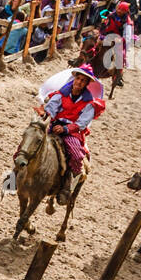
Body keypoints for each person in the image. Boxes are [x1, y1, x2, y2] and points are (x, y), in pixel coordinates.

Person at [41, 65, 103, 205]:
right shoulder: (61, 94)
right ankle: (17, 171)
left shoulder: (90, 103)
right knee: (31, 138)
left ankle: (66, 186)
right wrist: (47, 114)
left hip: (72, 133)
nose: (79, 82)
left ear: (87, 84)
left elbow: (82, 123)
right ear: (74, 79)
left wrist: (66, 129)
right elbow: (52, 107)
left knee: (76, 155)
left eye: (83, 81)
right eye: (78, 79)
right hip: (54, 125)